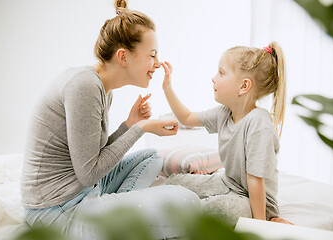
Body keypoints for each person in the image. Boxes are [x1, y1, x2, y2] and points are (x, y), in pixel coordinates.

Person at [21, 0, 199, 239]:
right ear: (123, 56)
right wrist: (140, 128)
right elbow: (89, 173)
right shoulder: (84, 86)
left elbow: (94, 156)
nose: (157, 64)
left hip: (84, 190)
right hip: (56, 210)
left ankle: (113, 213)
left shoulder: (102, 87)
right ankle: (112, 217)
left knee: (151, 156)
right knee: (188, 202)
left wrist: (128, 124)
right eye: (152, 55)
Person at [161, 42, 293, 225]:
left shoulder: (258, 123)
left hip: (253, 201)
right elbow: (187, 117)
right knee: (174, 182)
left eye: (221, 73)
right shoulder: (224, 113)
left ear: (244, 86)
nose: (213, 78)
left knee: (213, 211)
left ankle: (171, 222)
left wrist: (262, 224)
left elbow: (255, 180)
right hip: (229, 183)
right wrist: (168, 89)